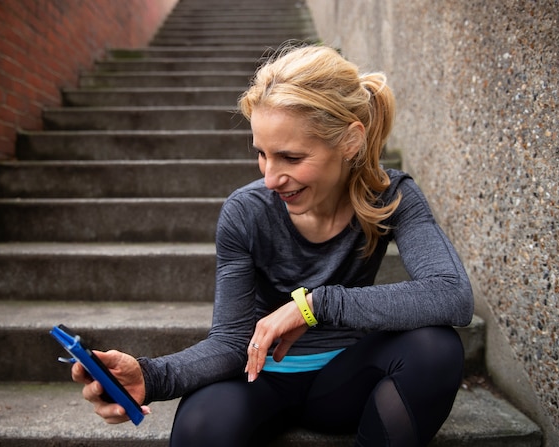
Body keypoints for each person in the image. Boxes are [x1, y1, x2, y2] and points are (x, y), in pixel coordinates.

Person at [72, 43, 474, 447]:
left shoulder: (391, 196)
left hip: (345, 381)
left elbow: (451, 295)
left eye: (291, 157)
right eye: (262, 154)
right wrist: (150, 376)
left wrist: (316, 306)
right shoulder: (246, 212)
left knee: (435, 348)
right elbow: (230, 340)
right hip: (254, 377)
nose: (270, 178)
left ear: (351, 141)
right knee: (201, 430)